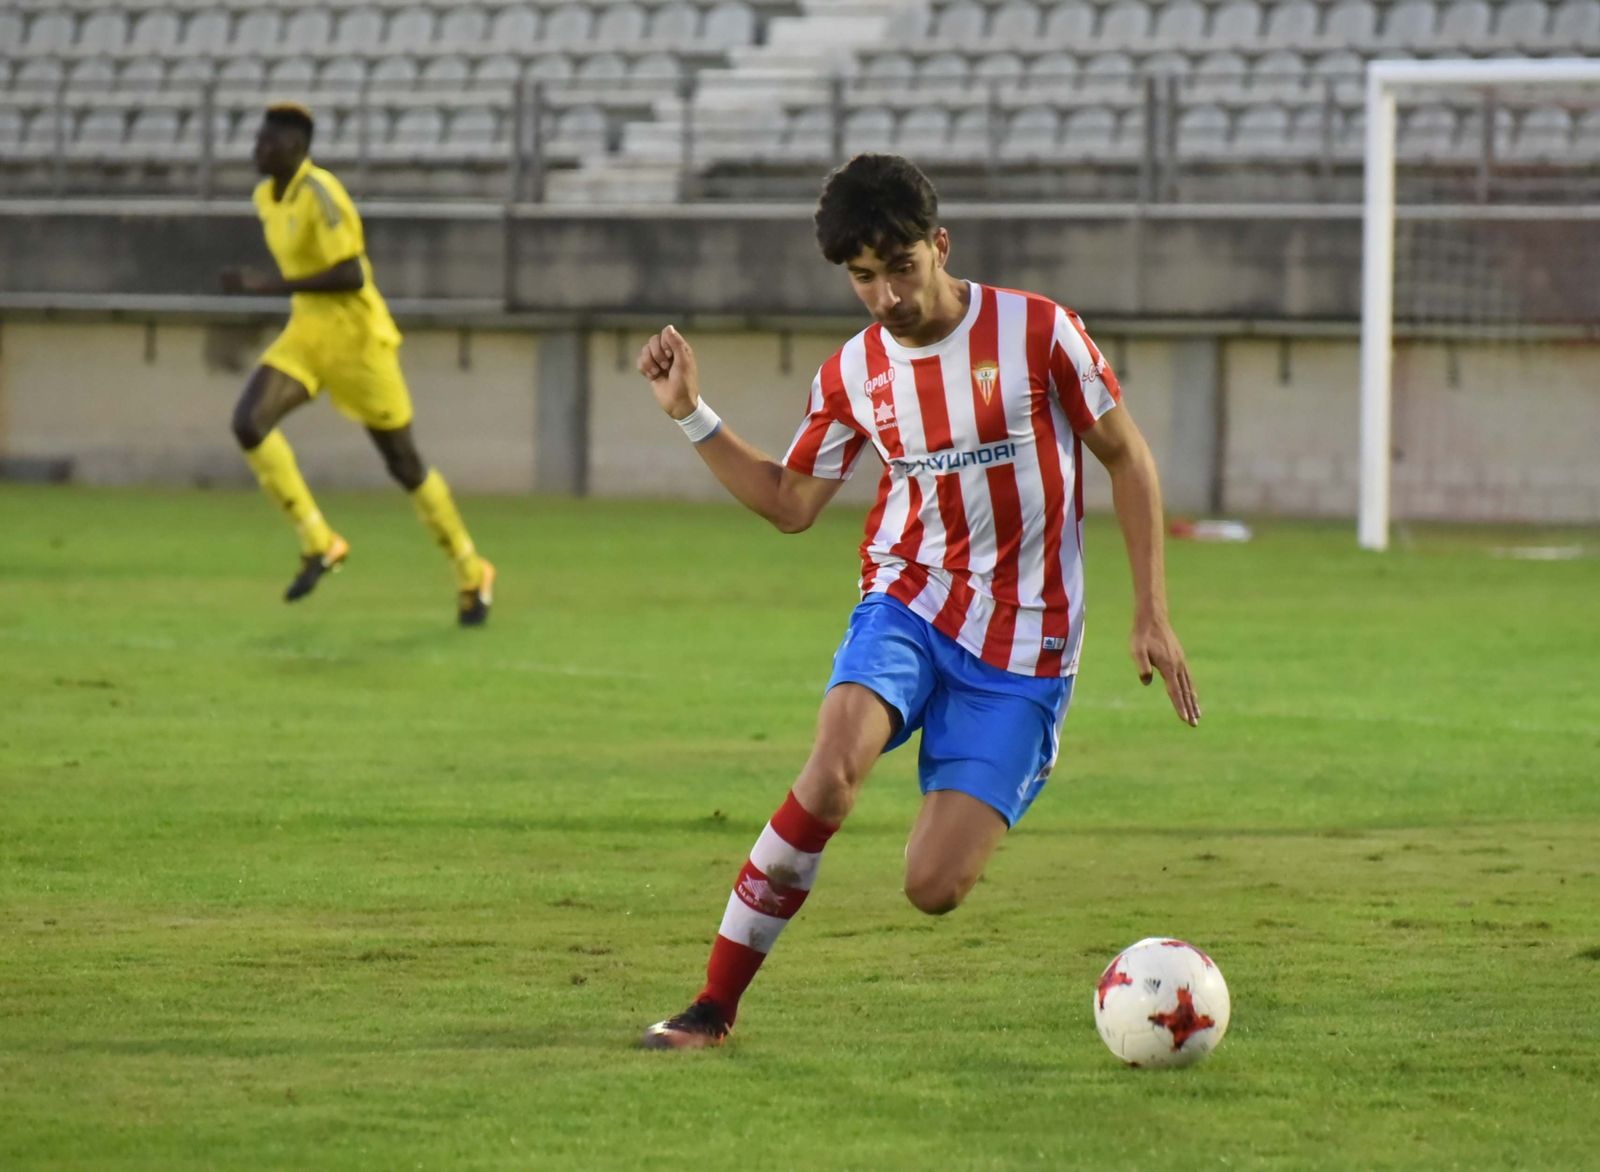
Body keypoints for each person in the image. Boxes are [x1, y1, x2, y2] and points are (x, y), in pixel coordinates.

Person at [635, 154, 1200, 1050]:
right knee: (828, 773)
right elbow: (791, 503)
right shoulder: (853, 373)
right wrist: (691, 414)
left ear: (940, 246)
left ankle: (1001, 752)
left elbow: (1126, 456)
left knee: (932, 887)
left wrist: (1151, 612)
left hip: (1026, 645)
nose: (886, 295)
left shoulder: (1038, 332)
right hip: (908, 601)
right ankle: (713, 1005)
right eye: (864, 277)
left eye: (901, 267)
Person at [220, 102, 495, 625]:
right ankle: (318, 541)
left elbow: (349, 274)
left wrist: (268, 285)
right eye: (258, 139)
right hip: (307, 334)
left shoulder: (322, 193)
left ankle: (470, 568)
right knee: (248, 424)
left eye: (270, 141)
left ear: (299, 147)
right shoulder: (265, 197)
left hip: (358, 342)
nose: (260, 148)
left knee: (404, 464)